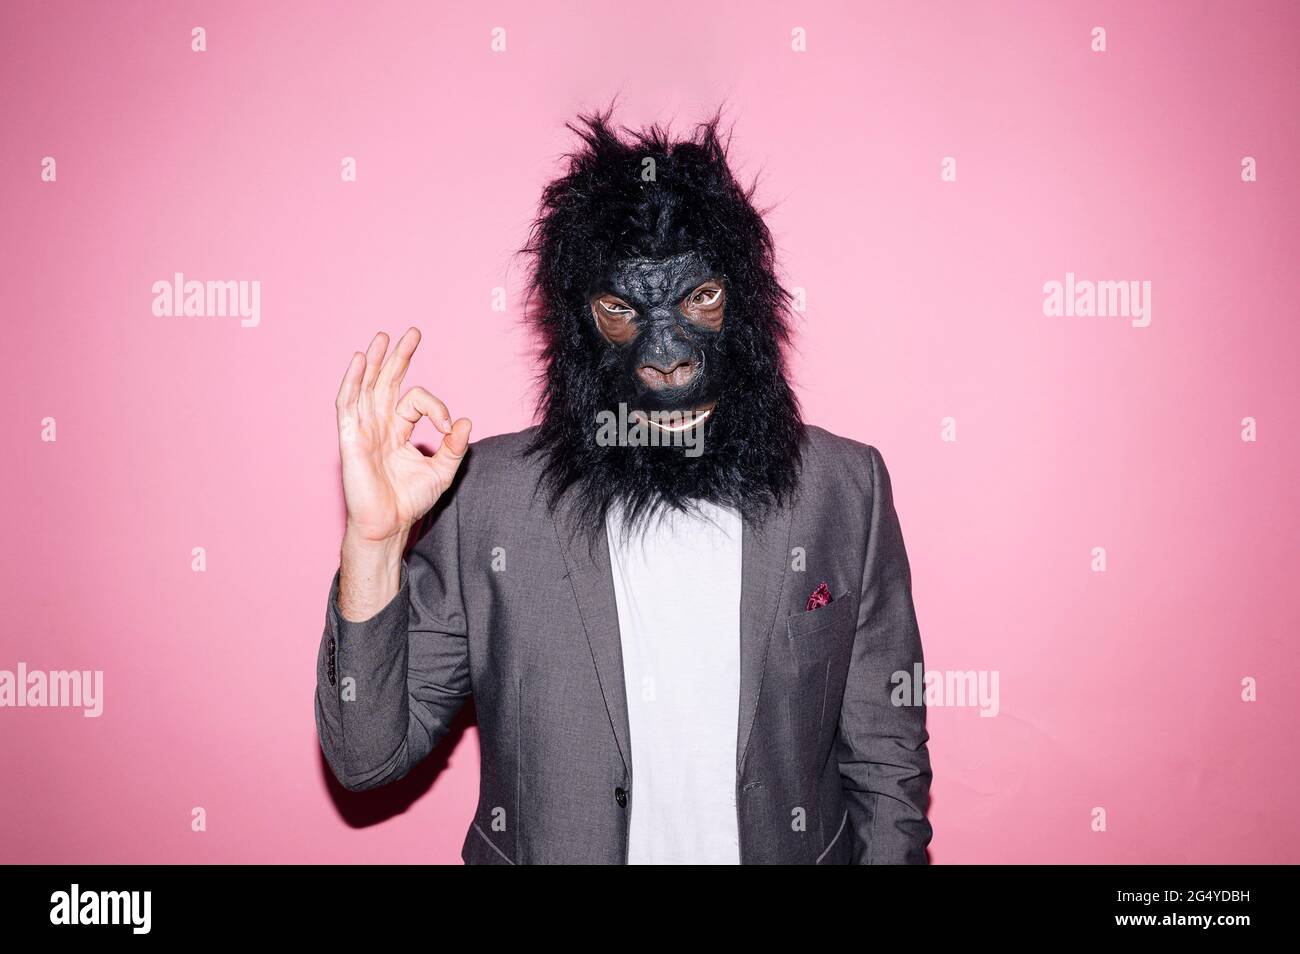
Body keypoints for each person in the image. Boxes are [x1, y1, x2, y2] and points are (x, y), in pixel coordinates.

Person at [314, 108, 933, 864]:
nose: (667, 356)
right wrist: (374, 544)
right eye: (621, 311)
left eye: (699, 298)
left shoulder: (844, 488)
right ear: (577, 325)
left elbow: (887, 765)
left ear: (748, 302)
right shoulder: (488, 499)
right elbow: (365, 756)